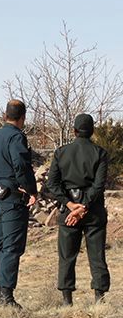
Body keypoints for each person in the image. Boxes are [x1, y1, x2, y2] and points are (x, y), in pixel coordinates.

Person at [46, 114, 110, 305]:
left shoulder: (61, 153)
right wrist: (84, 206)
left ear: (74, 131)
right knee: (97, 255)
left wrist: (70, 205)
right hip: (94, 211)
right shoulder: (100, 153)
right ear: (92, 131)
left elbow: (52, 184)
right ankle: (99, 299)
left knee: (67, 256)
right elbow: (99, 186)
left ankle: (67, 301)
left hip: (69, 211)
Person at [0, 99, 37, 309]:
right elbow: (21, 166)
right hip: (12, 200)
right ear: (23, 117)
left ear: (5, 115)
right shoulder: (16, 137)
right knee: (12, 247)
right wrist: (31, 190)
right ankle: (7, 296)